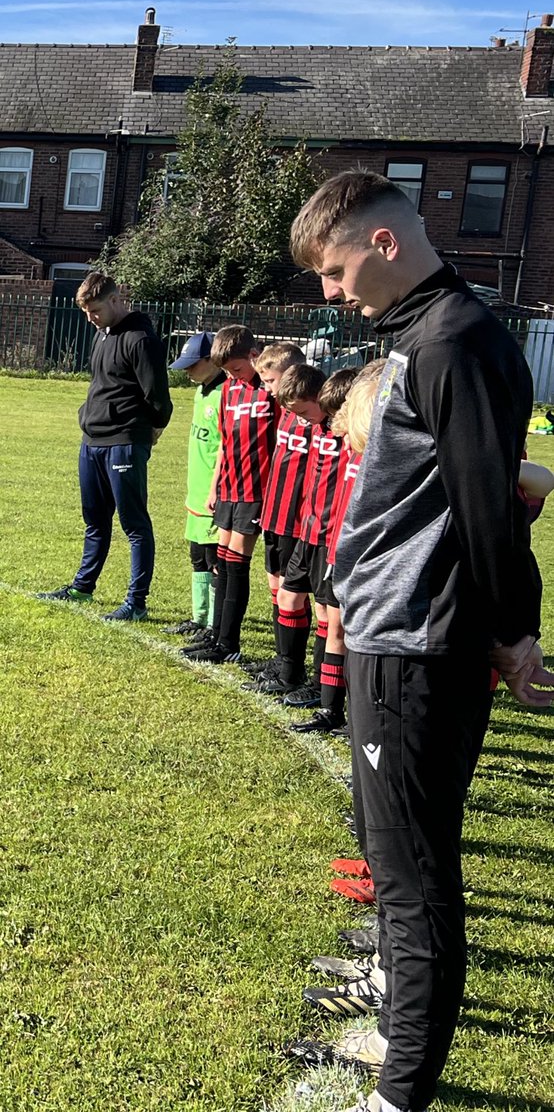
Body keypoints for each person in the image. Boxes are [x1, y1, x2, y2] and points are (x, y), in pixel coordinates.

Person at [289, 170, 554, 1112]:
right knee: (394, 850)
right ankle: (400, 1020)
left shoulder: (455, 341)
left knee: (412, 873)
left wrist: (515, 635)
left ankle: (399, 1093)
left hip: (418, 645)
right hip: (387, 632)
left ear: (384, 242)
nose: (330, 290)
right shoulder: (423, 334)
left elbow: (489, 513)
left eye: (334, 267)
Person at [37, 273, 173, 621]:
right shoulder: (103, 334)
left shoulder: (141, 339)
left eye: (95, 310)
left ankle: (136, 603)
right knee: (95, 521)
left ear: (116, 300)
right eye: (86, 312)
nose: (90, 318)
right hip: (92, 441)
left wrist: (152, 431)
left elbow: (158, 396)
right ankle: (83, 588)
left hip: (124, 442)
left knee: (134, 524)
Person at [179, 324, 279, 664]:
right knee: (221, 561)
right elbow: (225, 443)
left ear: (254, 356)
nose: (233, 376)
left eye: (236, 369)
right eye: (227, 372)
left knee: (237, 564)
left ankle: (228, 642)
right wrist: (216, 485)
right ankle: (216, 635)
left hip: (255, 491)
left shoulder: (270, 392)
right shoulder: (231, 391)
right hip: (229, 488)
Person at [276, 365, 358, 728]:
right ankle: (292, 677)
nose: (304, 420)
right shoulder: (315, 427)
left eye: (306, 412)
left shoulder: (350, 438)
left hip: (332, 538)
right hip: (307, 531)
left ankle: (327, 699)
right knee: (289, 599)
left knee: (330, 620)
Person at [250, 341, 309, 680]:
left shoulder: (312, 411)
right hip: (276, 510)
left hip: (299, 517)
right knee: (276, 585)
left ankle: (293, 667)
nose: (268, 389)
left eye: (271, 381)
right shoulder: (285, 411)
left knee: (294, 592)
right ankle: (282, 657)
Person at [162, 332, 225, 637]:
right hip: (195, 492)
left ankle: (214, 622)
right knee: (197, 557)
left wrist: (215, 488)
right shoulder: (201, 391)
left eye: (192, 365)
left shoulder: (225, 394)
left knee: (215, 560)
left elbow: (226, 448)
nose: (186, 371)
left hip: (214, 494)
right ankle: (198, 617)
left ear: (211, 360)